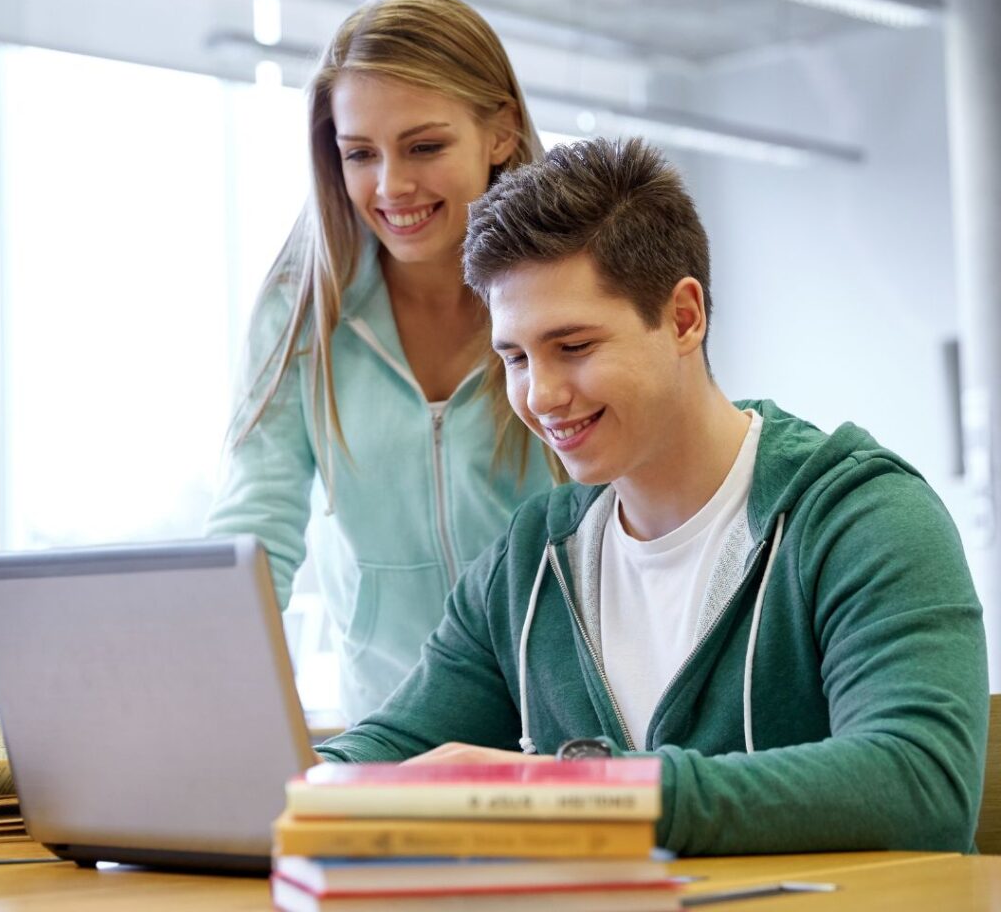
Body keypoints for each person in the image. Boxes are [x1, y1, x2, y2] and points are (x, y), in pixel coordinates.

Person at [313, 137, 989, 855]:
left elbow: (922, 786)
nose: (539, 396)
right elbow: (390, 749)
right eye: (514, 357)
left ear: (684, 318)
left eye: (573, 347)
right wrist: (285, 790)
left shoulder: (863, 518)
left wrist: (574, 796)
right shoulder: (532, 559)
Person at [207, 0, 556, 723]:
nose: (392, 186)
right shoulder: (301, 308)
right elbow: (255, 528)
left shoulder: (564, 294)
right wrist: (215, 707)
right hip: (390, 723)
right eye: (360, 153)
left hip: (564, 717)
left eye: (424, 146)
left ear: (500, 132)